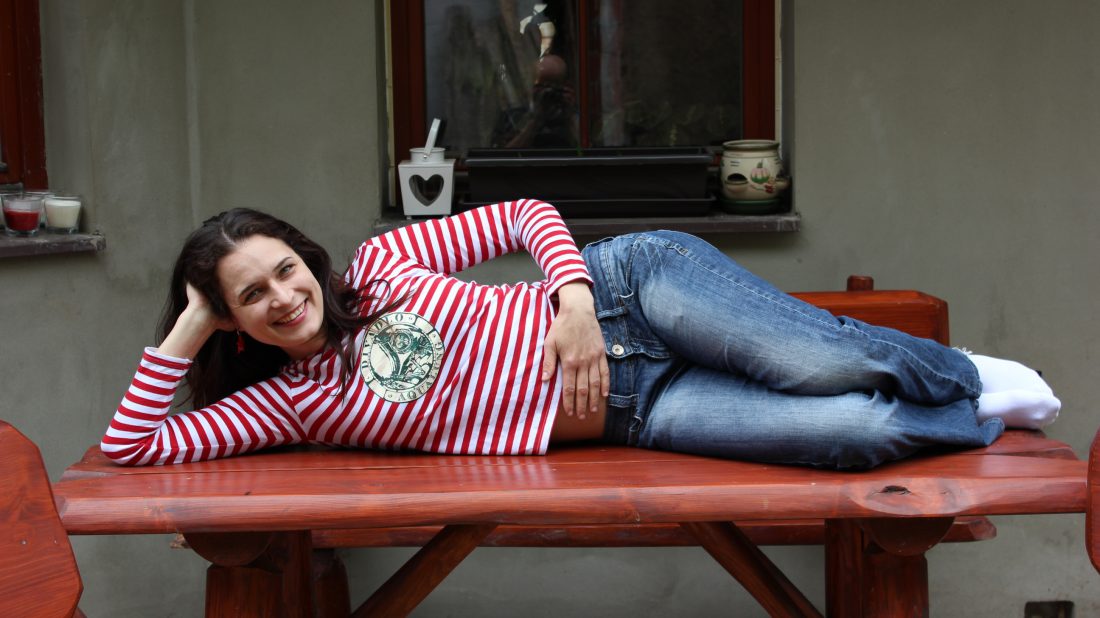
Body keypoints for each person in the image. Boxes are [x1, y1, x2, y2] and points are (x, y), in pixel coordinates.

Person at [101, 199, 1060, 468]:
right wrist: (186, 324)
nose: (282, 296)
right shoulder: (287, 407)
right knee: (853, 432)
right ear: (233, 323)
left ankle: (966, 373)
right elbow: (132, 446)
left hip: (630, 295)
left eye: (283, 269)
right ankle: (972, 416)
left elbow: (528, 215)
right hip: (640, 412)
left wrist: (568, 301)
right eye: (248, 296)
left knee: (821, 361)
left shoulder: (380, 264)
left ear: (305, 259)